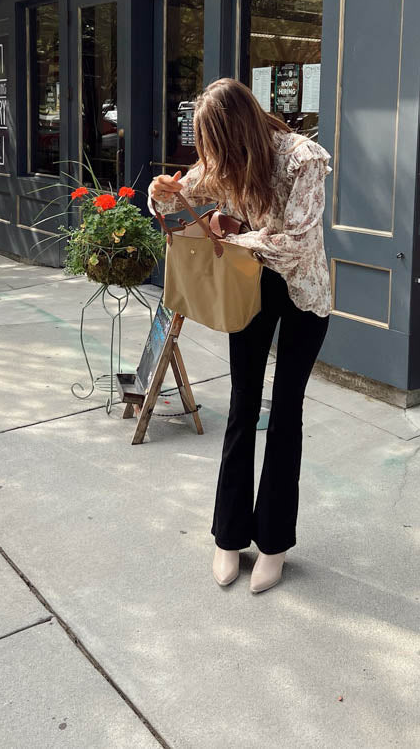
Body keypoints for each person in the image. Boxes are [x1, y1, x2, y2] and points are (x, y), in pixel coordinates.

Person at [148, 78, 331, 594]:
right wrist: (160, 197)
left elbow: (297, 242)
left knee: (286, 412)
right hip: (246, 287)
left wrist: (233, 233)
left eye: (216, 144)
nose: (211, 158)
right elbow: (179, 205)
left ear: (238, 132)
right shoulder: (223, 163)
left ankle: (274, 543)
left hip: (303, 291)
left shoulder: (302, 159)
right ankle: (228, 536)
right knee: (242, 406)